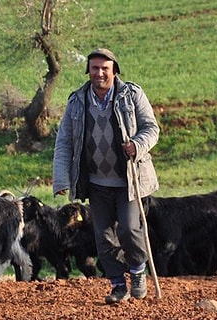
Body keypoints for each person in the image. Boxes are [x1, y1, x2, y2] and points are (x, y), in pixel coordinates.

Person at [53, 48, 160, 304]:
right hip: (96, 182)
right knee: (102, 235)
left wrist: (137, 145)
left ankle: (136, 271)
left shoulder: (131, 95)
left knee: (128, 228)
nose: (99, 73)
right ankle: (117, 284)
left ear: (114, 71)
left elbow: (151, 128)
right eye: (94, 68)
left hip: (128, 180)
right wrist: (61, 179)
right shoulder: (77, 101)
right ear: (88, 71)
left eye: (105, 69)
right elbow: (64, 141)